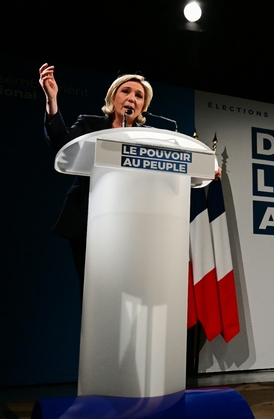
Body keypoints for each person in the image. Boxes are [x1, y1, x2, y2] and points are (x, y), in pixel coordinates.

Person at [39, 63, 221, 298]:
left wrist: (206, 169)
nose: (132, 98)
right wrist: (51, 100)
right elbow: (60, 142)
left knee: (128, 291)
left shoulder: (152, 138)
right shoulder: (91, 125)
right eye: (126, 92)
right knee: (96, 291)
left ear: (143, 106)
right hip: (90, 219)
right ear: (113, 98)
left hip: (137, 222)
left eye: (139, 96)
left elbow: (175, 168)